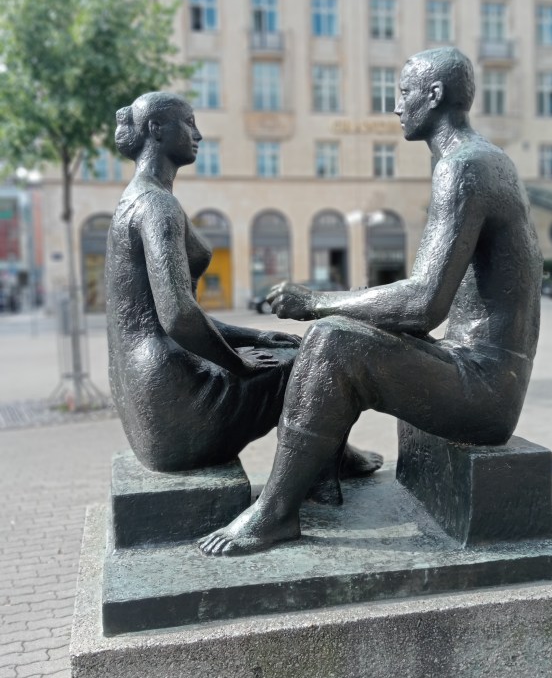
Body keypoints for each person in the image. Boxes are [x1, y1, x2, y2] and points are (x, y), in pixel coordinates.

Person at [200, 47, 543, 557]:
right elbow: (421, 302)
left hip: (487, 391)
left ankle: (276, 512)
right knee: (337, 335)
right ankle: (325, 469)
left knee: (334, 341)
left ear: (434, 95)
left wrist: (316, 301)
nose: (396, 105)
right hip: (479, 368)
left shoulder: (464, 167)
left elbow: (423, 303)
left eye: (404, 93)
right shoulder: (477, 160)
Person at [106, 92, 380, 479]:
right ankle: (321, 469)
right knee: (316, 361)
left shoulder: (134, 200)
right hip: (177, 414)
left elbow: (173, 314)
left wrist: (258, 337)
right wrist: (239, 364)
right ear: (156, 129)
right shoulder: (157, 206)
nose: (198, 134)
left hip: (150, 413)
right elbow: (178, 316)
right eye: (189, 123)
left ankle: (326, 459)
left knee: (288, 349)